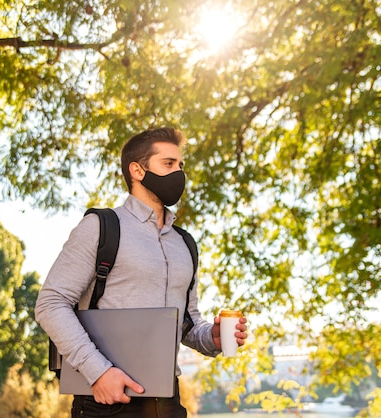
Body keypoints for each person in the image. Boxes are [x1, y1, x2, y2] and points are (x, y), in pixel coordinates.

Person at [35, 127, 249, 417]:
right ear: (137, 170)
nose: (179, 174)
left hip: (168, 401)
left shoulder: (184, 244)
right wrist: (98, 373)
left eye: (181, 165)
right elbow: (50, 304)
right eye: (169, 164)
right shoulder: (101, 227)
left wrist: (211, 337)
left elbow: (186, 323)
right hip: (107, 402)